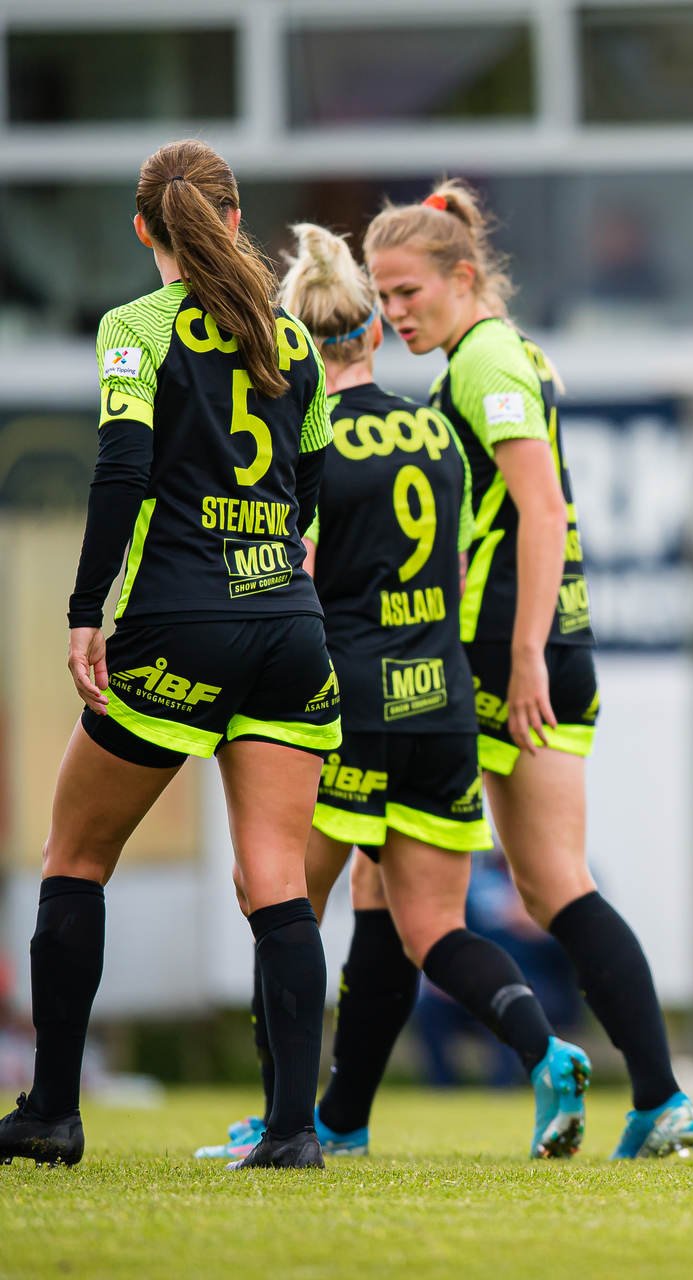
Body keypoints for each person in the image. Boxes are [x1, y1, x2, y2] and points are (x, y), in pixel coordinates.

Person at [196, 223, 594, 1163]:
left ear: (296, 337)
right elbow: (456, 569)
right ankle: (546, 1050)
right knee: (434, 928)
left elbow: (294, 571)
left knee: (281, 907)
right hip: (442, 705)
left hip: (346, 709)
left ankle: (283, 1120)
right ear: (374, 334)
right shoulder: (436, 429)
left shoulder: (307, 439)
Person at [0, 140, 340, 1169]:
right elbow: (312, 494)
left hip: (175, 622)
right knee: (275, 877)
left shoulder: (134, 329)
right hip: (287, 625)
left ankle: (52, 1111)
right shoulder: (297, 341)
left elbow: (120, 472)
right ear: (235, 223)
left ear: (145, 228)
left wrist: (82, 607)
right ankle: (291, 1131)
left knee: (75, 855)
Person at [364, 180, 693, 1158]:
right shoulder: (504, 354)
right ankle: (662, 1096)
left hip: (507, 651)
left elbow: (540, 510)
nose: (393, 313)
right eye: (382, 297)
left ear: (463, 277)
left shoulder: (485, 361)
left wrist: (517, 660)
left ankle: (328, 1115)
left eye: (407, 291)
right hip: (551, 643)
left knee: (396, 891)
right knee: (552, 884)